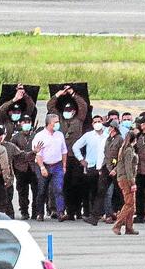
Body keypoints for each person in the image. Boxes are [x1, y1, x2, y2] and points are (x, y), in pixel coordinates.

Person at [47, 85, 88, 220]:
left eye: (70, 110)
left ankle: (75, 210)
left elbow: (83, 106)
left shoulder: (79, 120)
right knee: (61, 185)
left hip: (74, 158)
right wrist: (59, 94)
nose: (67, 111)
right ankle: (61, 210)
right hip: (60, 158)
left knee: (75, 184)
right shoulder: (59, 120)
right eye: (66, 110)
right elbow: (50, 106)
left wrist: (73, 94)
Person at [32, 113, 68, 222]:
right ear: (48, 123)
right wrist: (42, 167)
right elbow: (38, 154)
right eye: (55, 122)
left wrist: (64, 166)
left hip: (57, 165)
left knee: (59, 189)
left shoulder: (60, 135)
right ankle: (40, 213)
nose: (58, 124)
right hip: (44, 165)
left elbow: (64, 151)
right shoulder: (40, 136)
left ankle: (60, 212)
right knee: (42, 190)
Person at [9, 114, 40, 219]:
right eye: (24, 122)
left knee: (36, 191)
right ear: (20, 123)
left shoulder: (36, 136)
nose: (26, 124)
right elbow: (13, 154)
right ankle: (24, 212)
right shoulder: (15, 137)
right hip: (20, 168)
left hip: (34, 167)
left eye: (28, 122)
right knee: (22, 192)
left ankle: (35, 212)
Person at [113, 128, 139, 235]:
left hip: (123, 178)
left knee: (132, 205)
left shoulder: (123, 149)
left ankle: (129, 227)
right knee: (129, 204)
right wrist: (132, 182)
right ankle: (117, 225)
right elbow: (128, 168)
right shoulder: (128, 151)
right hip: (126, 179)